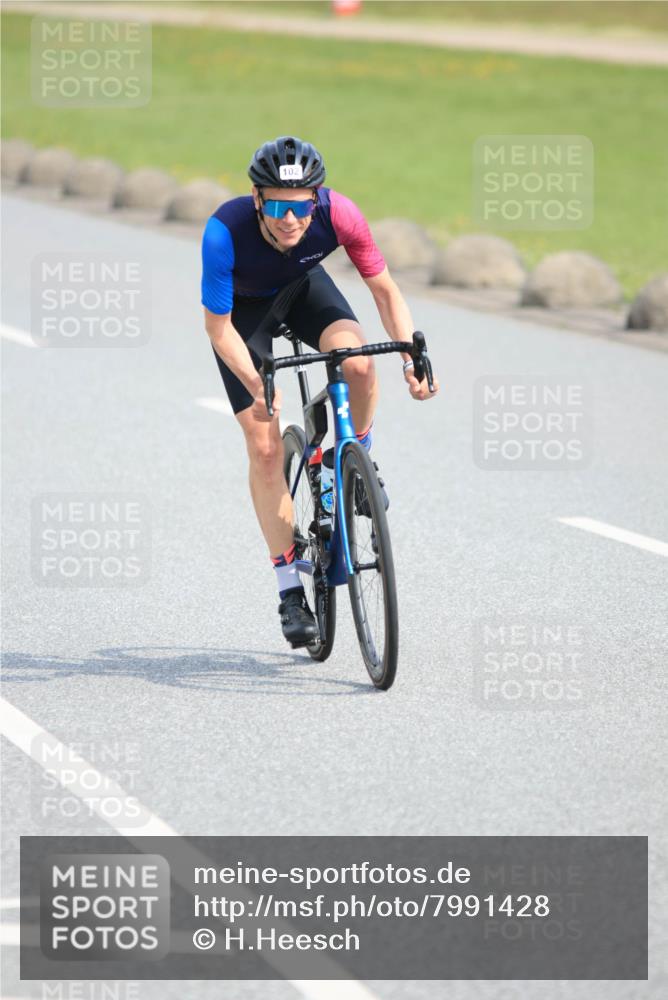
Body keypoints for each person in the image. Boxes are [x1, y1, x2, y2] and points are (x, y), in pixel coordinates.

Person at [201, 136, 439, 647]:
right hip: (245, 317)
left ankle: (356, 458)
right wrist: (255, 383)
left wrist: (410, 358)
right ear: (257, 198)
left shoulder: (341, 215)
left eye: (303, 205)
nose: (292, 219)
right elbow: (218, 329)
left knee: (358, 366)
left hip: (305, 289)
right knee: (265, 448)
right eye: (279, 205)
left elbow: (384, 289)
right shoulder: (225, 230)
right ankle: (290, 588)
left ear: (318, 198)